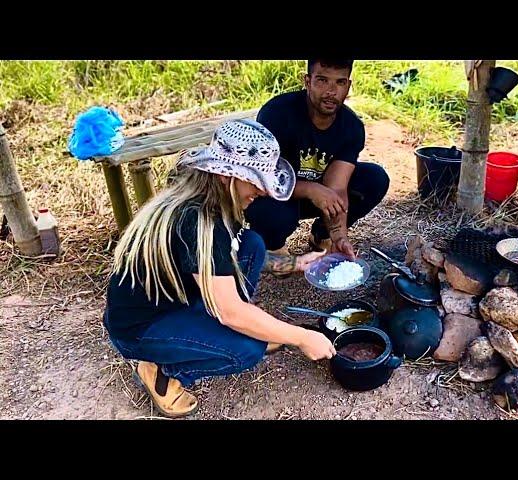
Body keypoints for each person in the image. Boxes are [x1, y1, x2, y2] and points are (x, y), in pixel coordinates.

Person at [103, 119, 336, 418]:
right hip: (141, 328)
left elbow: (231, 255)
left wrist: (293, 263)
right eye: (256, 181)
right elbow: (230, 312)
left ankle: (222, 329)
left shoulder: (217, 200)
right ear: (229, 176)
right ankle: (161, 371)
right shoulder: (201, 223)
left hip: (178, 297)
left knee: (251, 243)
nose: (263, 191)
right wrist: (302, 337)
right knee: (245, 350)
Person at [245, 59, 390, 259]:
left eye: (339, 82)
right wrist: (310, 189)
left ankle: (322, 235)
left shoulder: (351, 127)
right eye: (322, 80)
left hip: (318, 197)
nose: (331, 91)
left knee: (375, 178)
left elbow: (337, 188)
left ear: (348, 86)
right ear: (307, 81)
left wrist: (339, 235)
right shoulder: (277, 114)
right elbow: (259, 179)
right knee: (275, 215)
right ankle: (271, 246)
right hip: (275, 197)